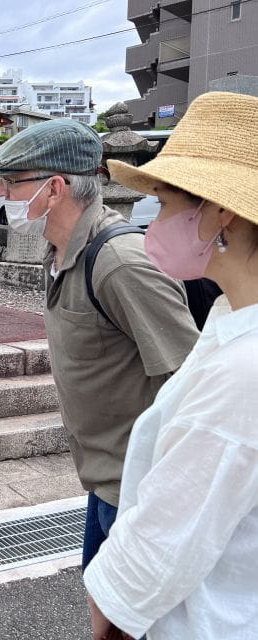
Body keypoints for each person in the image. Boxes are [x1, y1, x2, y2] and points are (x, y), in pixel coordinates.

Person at [0, 120, 199, 570]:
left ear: (55, 188)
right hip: (106, 482)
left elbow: (194, 385)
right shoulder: (60, 252)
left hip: (141, 492)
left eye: (10, 182)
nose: (0, 195)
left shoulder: (120, 263)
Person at [84, 91, 258, 639]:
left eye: (162, 204)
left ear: (219, 211)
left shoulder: (243, 370)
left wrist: (108, 617)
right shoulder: (231, 319)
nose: (150, 224)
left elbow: (158, 551)